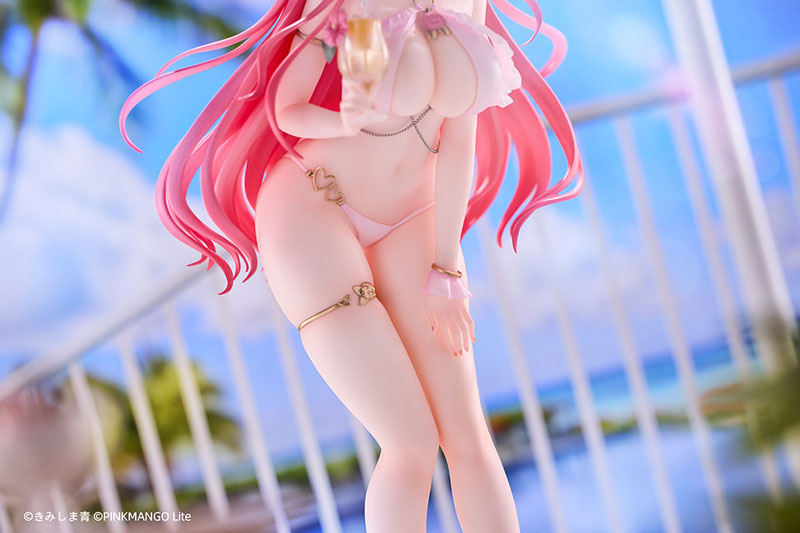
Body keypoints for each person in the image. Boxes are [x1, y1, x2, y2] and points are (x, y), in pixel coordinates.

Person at [120, 0, 581, 529]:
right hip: (313, 207)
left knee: (468, 435)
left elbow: (461, 140)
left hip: (414, 213)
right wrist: (344, 118)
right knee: (411, 443)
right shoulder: (345, 5)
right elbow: (288, 109)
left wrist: (447, 268)